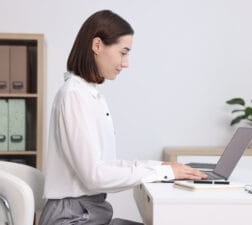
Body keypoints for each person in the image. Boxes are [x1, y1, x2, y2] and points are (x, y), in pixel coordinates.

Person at [39, 9, 207, 225]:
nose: (126, 63)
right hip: (73, 218)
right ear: (97, 45)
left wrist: (160, 167)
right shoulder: (74, 95)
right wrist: (160, 171)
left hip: (84, 213)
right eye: (123, 52)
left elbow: (105, 165)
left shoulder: (88, 94)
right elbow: (94, 175)